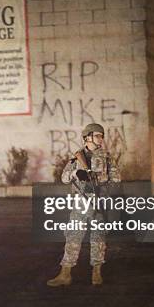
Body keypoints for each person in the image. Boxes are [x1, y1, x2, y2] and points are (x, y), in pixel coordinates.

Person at [47, 123, 121, 287]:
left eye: (102, 136)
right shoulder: (76, 158)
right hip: (81, 202)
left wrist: (101, 183)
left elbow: (117, 180)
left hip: (99, 201)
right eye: (97, 135)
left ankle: (97, 272)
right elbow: (64, 178)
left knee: (98, 237)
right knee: (73, 236)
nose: (101, 138)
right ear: (87, 137)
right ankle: (65, 273)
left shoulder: (108, 158)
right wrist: (76, 173)